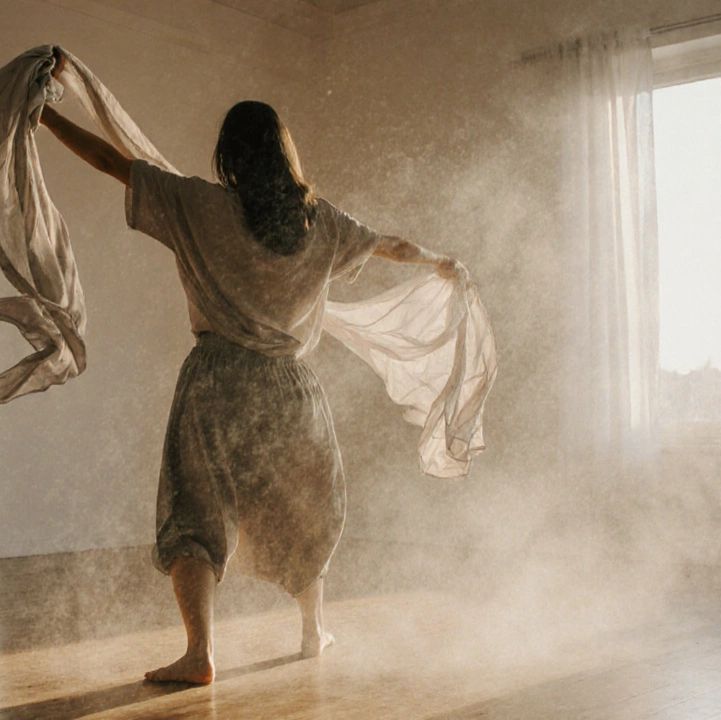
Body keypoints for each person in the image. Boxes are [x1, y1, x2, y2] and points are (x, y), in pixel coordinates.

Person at [39, 79, 463, 684]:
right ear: (285, 155)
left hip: (216, 382)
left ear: (228, 159)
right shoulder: (323, 224)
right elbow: (389, 244)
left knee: (195, 510)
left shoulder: (200, 205)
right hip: (290, 389)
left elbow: (115, 162)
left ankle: (199, 653)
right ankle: (314, 630)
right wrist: (437, 262)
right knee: (303, 509)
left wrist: (49, 119)